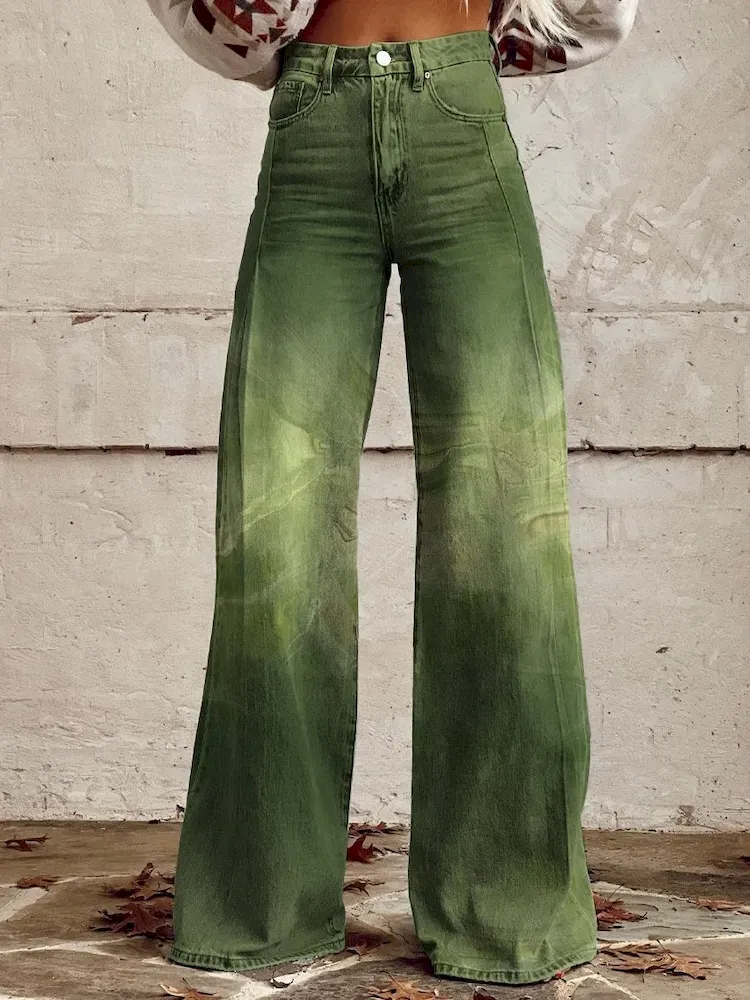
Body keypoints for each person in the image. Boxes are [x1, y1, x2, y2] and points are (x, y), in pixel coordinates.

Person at [144, 0, 638, 986]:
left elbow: (599, 11)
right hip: (311, 130)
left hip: (460, 118)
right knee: (276, 535)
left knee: (505, 528)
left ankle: (510, 910)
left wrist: (498, 40)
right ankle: (258, 910)